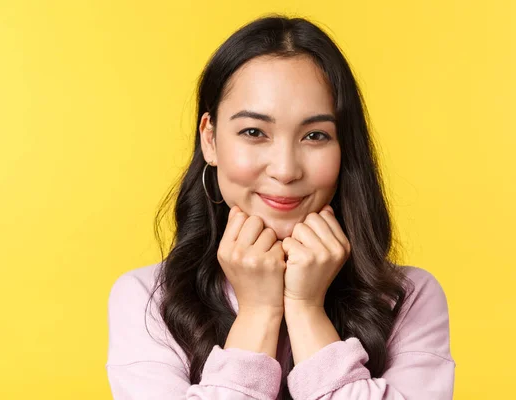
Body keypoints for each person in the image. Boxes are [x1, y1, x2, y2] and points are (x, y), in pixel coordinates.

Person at [105, 15, 455, 400]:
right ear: (210, 139)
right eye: (254, 132)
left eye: (315, 135)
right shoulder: (147, 300)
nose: (286, 170)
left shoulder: (409, 297)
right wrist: (257, 312)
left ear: (344, 149)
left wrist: (306, 310)